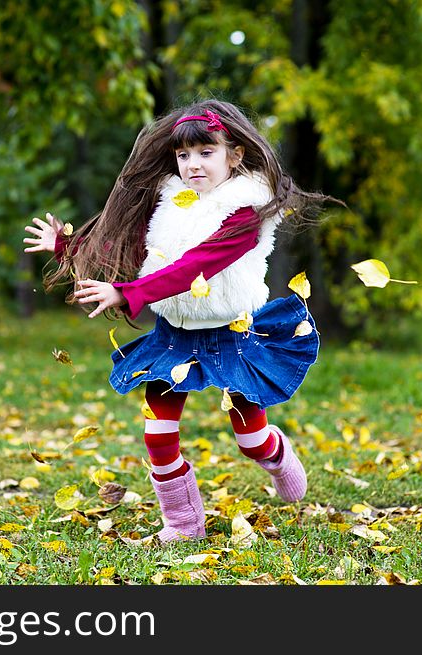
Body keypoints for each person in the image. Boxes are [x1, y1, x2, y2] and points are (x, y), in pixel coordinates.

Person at [23, 99, 326, 543]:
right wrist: (66, 248)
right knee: (157, 433)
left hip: (231, 337)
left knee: (250, 440)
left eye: (206, 152)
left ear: (234, 155)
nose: (192, 165)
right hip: (173, 338)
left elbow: (195, 268)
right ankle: (183, 525)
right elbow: (126, 249)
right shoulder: (170, 202)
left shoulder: (245, 212)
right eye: (183, 156)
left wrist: (128, 295)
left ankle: (278, 456)